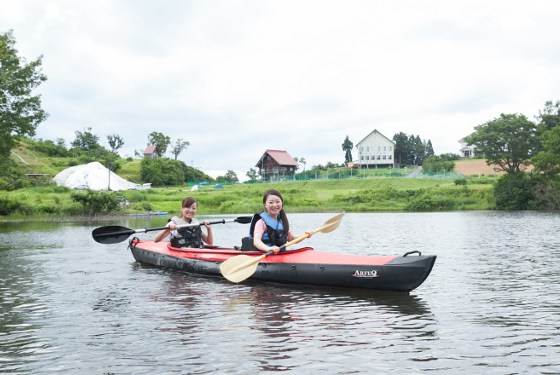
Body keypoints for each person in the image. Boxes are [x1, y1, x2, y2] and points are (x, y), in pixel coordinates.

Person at [248, 189, 313, 254]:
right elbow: (256, 241)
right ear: (265, 205)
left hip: (280, 255)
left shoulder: (282, 222)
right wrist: (267, 248)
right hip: (264, 256)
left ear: (281, 203)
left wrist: (305, 235)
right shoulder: (261, 223)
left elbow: (292, 238)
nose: (275, 205)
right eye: (271, 202)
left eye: (277, 202)